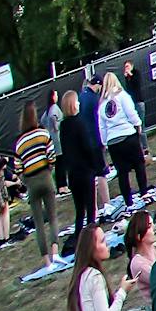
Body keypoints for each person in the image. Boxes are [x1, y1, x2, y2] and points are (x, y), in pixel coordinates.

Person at [15, 104, 62, 268]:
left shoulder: (19, 143)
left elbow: (18, 168)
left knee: (39, 223)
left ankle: (46, 261)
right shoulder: (43, 133)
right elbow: (51, 156)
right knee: (53, 216)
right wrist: (49, 169)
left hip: (32, 183)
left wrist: (26, 179)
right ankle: (55, 252)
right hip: (46, 177)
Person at [57, 88, 106, 238]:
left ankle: (79, 236)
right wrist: (96, 166)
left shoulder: (63, 127)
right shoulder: (79, 123)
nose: (79, 103)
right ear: (73, 105)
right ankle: (91, 238)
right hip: (85, 171)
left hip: (73, 173)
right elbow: (87, 146)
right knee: (91, 209)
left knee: (79, 210)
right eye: (76, 101)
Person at [97, 71, 150, 205]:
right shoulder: (122, 95)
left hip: (113, 141)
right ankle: (144, 192)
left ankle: (128, 200)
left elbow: (102, 126)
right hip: (127, 135)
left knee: (122, 172)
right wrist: (138, 124)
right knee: (139, 164)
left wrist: (105, 142)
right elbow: (131, 112)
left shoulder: (102, 105)